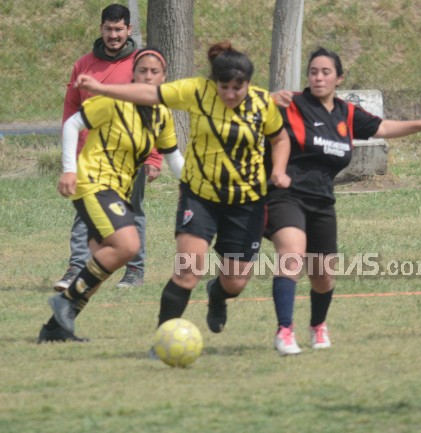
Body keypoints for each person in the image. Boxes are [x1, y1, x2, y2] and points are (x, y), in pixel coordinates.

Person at [73, 41, 292, 346]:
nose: (229, 94)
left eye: (237, 88)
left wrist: (279, 170)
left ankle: (217, 295)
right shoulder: (196, 91)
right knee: (188, 271)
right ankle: (163, 340)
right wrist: (102, 88)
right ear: (213, 82)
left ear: (249, 84)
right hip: (200, 196)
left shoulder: (262, 103)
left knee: (236, 281)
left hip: (246, 202)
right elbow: (150, 93)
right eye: (223, 87)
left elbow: (280, 139)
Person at [266, 47, 421, 356]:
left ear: (339, 78)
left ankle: (318, 326)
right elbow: (248, 106)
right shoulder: (293, 104)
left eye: (325, 72)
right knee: (291, 254)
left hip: (322, 201)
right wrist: (268, 98)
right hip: (286, 194)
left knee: (323, 274)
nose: (318, 77)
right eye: (313, 71)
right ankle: (284, 331)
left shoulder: (346, 113)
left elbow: (382, 127)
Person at [41, 48, 183, 342]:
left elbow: (174, 159)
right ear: (133, 74)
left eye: (154, 72)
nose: (147, 76)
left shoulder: (161, 115)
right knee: (127, 245)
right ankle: (66, 301)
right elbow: (73, 123)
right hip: (93, 182)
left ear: (163, 77)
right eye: (142, 70)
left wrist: (200, 185)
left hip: (118, 192)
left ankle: (54, 330)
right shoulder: (116, 101)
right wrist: (69, 169)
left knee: (105, 261)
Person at [54, 3, 161, 292]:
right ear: (101, 29)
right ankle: (77, 267)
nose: (113, 35)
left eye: (119, 29)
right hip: (90, 158)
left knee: (132, 210)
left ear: (129, 30)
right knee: (84, 213)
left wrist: (153, 156)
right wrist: (72, 157)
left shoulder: (141, 65)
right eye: (108, 29)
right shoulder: (84, 64)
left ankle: (134, 271)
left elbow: (154, 109)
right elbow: (71, 110)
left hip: (130, 158)